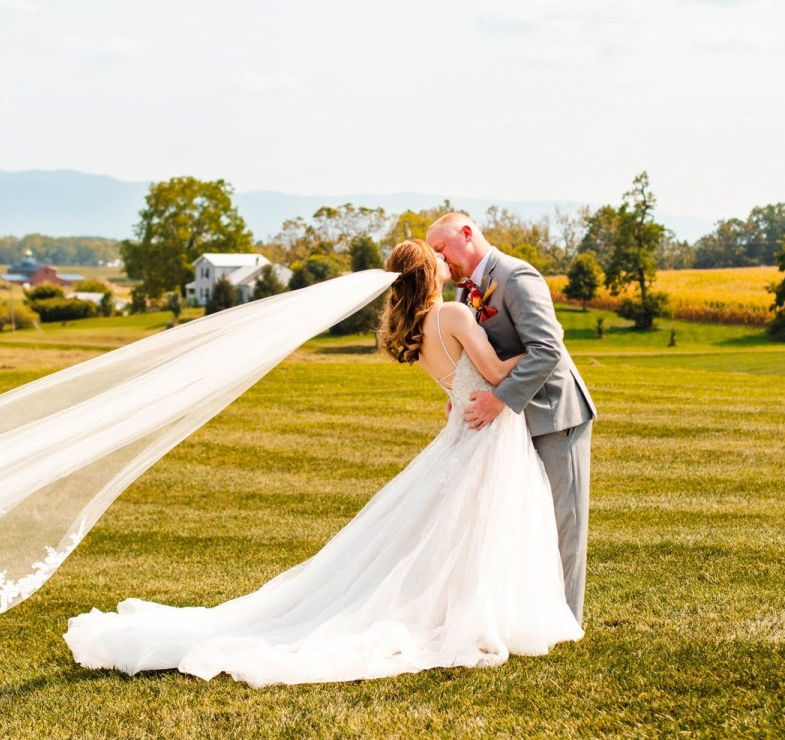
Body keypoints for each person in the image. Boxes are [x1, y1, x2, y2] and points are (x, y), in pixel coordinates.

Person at [63, 240, 582, 685]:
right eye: (438, 256)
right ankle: (475, 614)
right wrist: (547, 351)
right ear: (429, 271)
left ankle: (462, 610)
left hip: (460, 433)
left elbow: (462, 378)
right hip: (483, 434)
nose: (448, 260)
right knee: (477, 527)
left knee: (453, 531)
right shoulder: (453, 315)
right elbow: (491, 369)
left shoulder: (419, 329)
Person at [425, 213, 597, 623]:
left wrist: (498, 400)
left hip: (556, 415)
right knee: (525, 519)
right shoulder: (468, 293)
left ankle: (567, 620)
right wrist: (462, 395)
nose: (440, 260)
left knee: (563, 523)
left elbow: (547, 350)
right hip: (512, 426)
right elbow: (483, 354)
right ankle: (531, 615)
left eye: (441, 248)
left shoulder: (517, 276)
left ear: (466, 234)